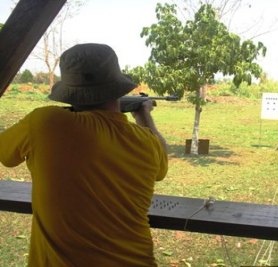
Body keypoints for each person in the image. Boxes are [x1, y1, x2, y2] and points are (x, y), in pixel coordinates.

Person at [0, 43, 168, 266]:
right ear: (118, 89)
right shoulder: (147, 142)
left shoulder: (45, 123)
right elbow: (161, 168)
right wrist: (144, 114)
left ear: (69, 90)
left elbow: (6, 155)